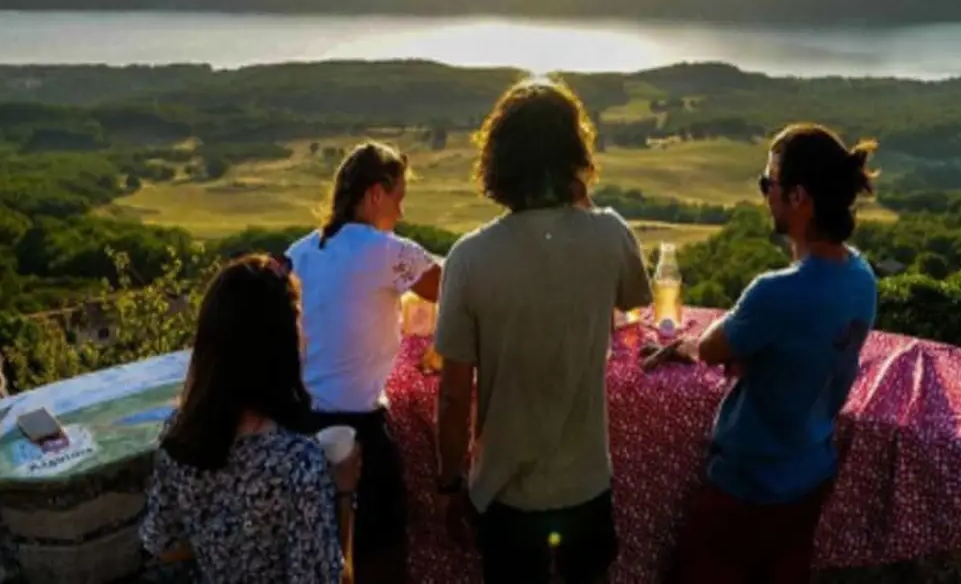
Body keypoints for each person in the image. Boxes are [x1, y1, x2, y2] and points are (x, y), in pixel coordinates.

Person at [433, 78, 653, 584]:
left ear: (498, 161)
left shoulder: (469, 257)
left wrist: (448, 484)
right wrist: (581, 197)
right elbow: (634, 298)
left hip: (505, 491)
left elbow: (453, 394)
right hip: (586, 483)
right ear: (575, 155)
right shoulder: (611, 234)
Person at [657, 123, 880, 584]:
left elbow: (712, 347)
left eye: (768, 183)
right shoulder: (861, 278)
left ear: (799, 197)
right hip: (811, 474)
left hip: (749, 484)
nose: (764, 195)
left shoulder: (775, 292)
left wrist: (709, 347)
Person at [140, 254, 361, 584]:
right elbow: (327, 578)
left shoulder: (180, 432)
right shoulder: (298, 463)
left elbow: (163, 544)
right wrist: (345, 493)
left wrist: (219, 544)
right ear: (282, 346)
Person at [286, 141, 442, 584]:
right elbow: (456, 290)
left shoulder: (298, 253)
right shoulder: (388, 252)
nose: (402, 212)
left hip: (298, 427)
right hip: (361, 433)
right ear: (376, 194)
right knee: (379, 559)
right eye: (399, 198)